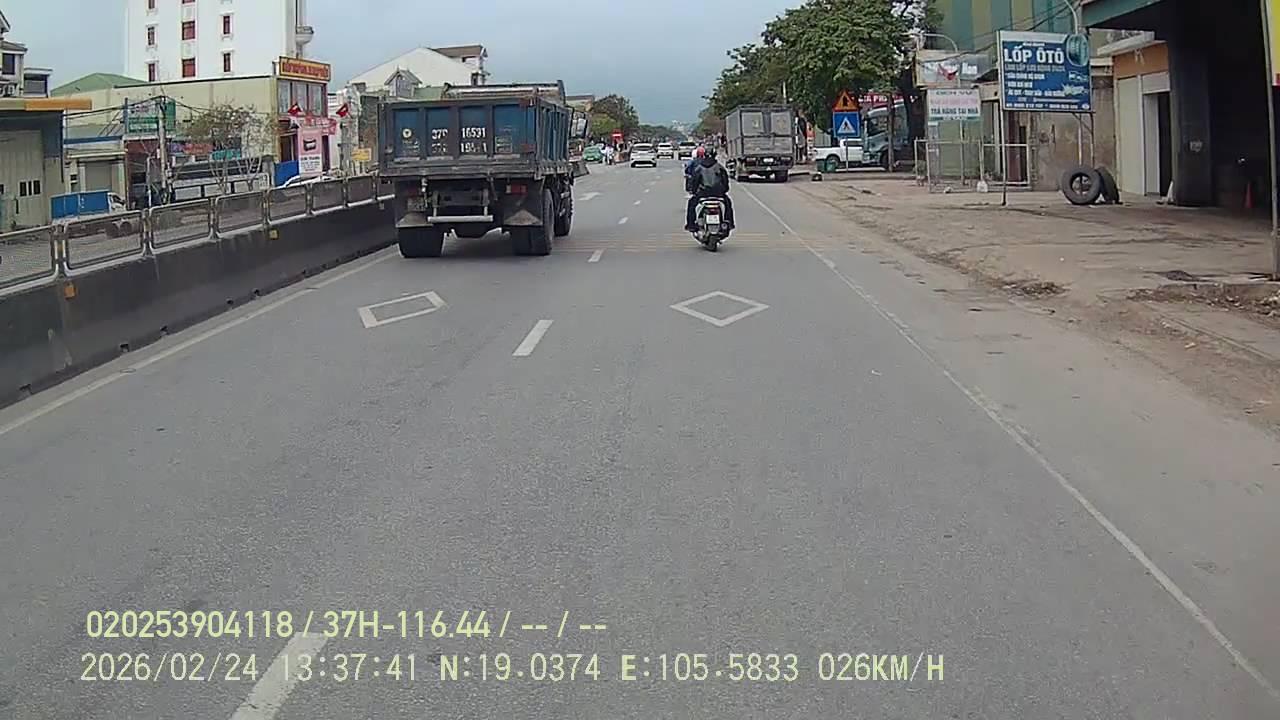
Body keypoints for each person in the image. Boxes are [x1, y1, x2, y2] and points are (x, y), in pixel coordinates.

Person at [685, 147, 734, 233]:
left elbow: (694, 182)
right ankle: (729, 223)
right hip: (718, 194)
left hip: (703, 194)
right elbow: (725, 182)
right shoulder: (720, 167)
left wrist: (694, 191)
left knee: (691, 204)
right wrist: (723, 191)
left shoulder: (699, 168)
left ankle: (691, 225)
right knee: (728, 204)